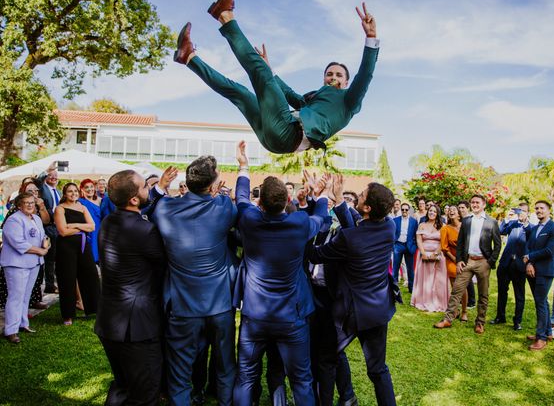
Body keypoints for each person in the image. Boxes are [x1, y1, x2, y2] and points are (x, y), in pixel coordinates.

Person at [173, 0, 379, 154]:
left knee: (259, 72)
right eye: (329, 73)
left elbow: (366, 75)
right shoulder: (312, 102)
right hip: (273, 136)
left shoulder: (349, 101)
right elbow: (289, 94)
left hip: (288, 134)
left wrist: (371, 37)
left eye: (338, 75)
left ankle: (225, 15)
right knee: (240, 93)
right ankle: (189, 57)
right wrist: (270, 68)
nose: (333, 77)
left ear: (346, 82)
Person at [232, 141, 329, 405]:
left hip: (255, 315)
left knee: (246, 376)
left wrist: (243, 166)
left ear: (260, 202)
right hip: (291, 317)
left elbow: (241, 200)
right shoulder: (299, 223)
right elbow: (321, 218)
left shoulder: (250, 221)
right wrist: (320, 194)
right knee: (301, 379)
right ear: (288, 200)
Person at [153, 156, 237, 406]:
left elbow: (150, 206)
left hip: (183, 306)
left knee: (179, 373)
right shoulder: (223, 207)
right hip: (220, 304)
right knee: (224, 366)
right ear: (213, 187)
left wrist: (160, 188)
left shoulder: (164, 209)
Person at [308, 181, 397, 405]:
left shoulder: (348, 239)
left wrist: (305, 229)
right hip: (377, 311)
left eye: (363, 194)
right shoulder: (389, 227)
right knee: (378, 370)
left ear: (367, 208)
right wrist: (339, 201)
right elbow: (358, 227)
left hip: (349, 314)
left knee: (326, 359)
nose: (359, 194)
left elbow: (316, 255)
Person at [95, 170, 166, 405]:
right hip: (136, 327)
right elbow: (164, 265)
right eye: (145, 186)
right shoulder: (145, 231)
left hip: (109, 321)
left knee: (122, 385)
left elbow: (136, 215)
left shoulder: (108, 222)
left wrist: (159, 189)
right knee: (145, 392)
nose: (148, 188)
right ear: (134, 199)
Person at [434, 194, 501, 334]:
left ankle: (480, 323)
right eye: (473, 202)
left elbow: (498, 245)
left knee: (483, 294)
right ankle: (448, 319)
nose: (475, 204)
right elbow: (461, 244)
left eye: (477, 202)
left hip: (483, 262)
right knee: (457, 290)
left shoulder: (492, 222)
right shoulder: (467, 221)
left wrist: (490, 262)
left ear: (484, 205)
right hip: (467, 261)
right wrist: (459, 260)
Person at [0, 193, 50, 343]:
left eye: (32, 203)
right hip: (17, 263)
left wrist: (46, 242)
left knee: (25, 295)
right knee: (16, 296)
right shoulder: (13, 220)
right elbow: (18, 242)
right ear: (19, 205)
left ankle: (23, 324)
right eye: (26, 203)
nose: (30, 205)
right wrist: (40, 250)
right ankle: (10, 330)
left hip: (33, 262)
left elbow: (43, 236)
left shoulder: (36, 219)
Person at [54, 182, 99, 326]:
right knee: (67, 279)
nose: (73, 194)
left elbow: (92, 226)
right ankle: (67, 315)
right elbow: (63, 231)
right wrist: (82, 228)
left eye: (75, 191)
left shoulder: (83, 207)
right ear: (65, 194)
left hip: (83, 246)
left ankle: (94, 309)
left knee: (91, 275)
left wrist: (74, 225)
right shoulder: (60, 208)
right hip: (66, 248)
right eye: (70, 191)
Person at [522, 200, 554, 351]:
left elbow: (550, 251)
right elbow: (528, 247)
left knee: (540, 303)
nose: (539, 210)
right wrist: (529, 263)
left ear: (548, 211)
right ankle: (547, 332)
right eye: (537, 208)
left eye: (542, 208)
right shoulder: (534, 229)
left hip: (545, 271)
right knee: (542, 302)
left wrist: (530, 257)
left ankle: (541, 338)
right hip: (532, 270)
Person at [490, 204, 531, 331]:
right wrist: (507, 218)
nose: (521, 213)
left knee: (519, 294)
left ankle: (517, 321)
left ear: (528, 213)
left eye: (524, 211)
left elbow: (530, 236)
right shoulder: (512, 224)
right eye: (519, 210)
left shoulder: (531, 227)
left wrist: (525, 222)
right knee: (502, 291)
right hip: (506, 263)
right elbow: (501, 231)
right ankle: (500, 316)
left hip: (519, 264)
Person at [411, 204, 449, 312]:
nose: (432, 213)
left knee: (438, 280)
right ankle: (423, 300)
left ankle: (439, 301)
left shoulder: (443, 226)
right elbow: (419, 240)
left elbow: (443, 242)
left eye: (434, 211)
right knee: (425, 279)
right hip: (423, 256)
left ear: (438, 214)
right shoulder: (422, 225)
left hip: (438, 256)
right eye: (430, 211)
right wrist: (423, 253)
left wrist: (436, 253)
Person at [37, 163, 61, 294]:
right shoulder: (42, 188)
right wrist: (48, 170)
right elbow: (38, 180)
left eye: (55, 176)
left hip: (58, 226)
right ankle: (49, 285)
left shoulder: (58, 191)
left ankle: (56, 282)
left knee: (57, 256)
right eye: (51, 176)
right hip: (47, 226)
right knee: (49, 258)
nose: (53, 178)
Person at [440, 205, 466, 321]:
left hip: (465, 259)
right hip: (451, 259)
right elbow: (444, 248)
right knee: (455, 286)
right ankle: (455, 310)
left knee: (463, 286)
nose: (451, 211)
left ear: (459, 214)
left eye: (454, 210)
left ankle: (464, 311)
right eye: (449, 210)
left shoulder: (465, 226)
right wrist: (455, 259)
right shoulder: (445, 228)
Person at [392, 203, 418, 296]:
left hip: (409, 246)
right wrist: (393, 245)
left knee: (410, 269)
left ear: (409, 210)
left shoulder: (414, 221)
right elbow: (392, 234)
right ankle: (394, 289)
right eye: (402, 209)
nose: (404, 211)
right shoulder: (395, 220)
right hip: (398, 245)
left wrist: (414, 246)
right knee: (395, 268)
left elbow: (416, 235)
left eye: (406, 210)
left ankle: (411, 288)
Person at [78, 179, 102, 263]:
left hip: (100, 229)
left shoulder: (100, 200)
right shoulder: (80, 202)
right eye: (86, 187)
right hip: (88, 230)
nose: (90, 189)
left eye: (91, 186)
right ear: (82, 189)